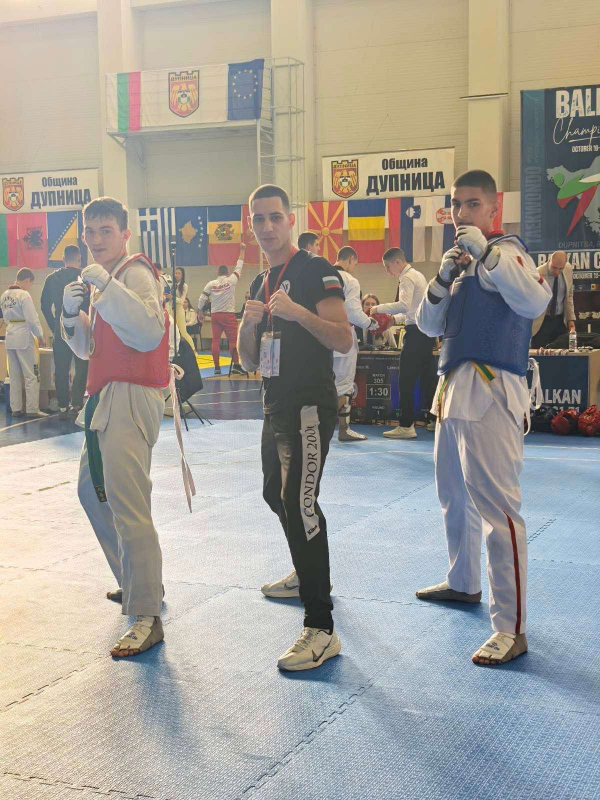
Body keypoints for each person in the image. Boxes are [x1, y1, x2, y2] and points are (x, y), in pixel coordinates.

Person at [415, 169, 551, 666]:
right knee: (453, 495)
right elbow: (425, 324)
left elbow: (536, 300)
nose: (461, 213)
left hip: (492, 391)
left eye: (472, 204)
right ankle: (463, 581)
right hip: (451, 390)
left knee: (499, 512)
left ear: (494, 209)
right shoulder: (458, 266)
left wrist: (487, 254)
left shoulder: (507, 252)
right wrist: (442, 277)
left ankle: (511, 628)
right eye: (456, 204)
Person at [238, 183, 352, 671]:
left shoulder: (315, 270)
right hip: (275, 405)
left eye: (275, 217)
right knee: (274, 493)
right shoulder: (259, 282)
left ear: (290, 220)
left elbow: (343, 338)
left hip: (309, 406)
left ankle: (321, 628)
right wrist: (247, 325)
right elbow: (249, 361)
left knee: (300, 503)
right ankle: (307, 574)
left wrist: (296, 312)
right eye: (258, 219)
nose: (267, 227)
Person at [61, 196, 170, 658]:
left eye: (106, 230)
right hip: (103, 394)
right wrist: (71, 317)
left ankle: (146, 614)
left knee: (128, 504)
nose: (96, 239)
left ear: (125, 233)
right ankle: (136, 580)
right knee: (91, 492)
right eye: (90, 231)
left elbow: (148, 331)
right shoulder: (103, 282)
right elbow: (89, 349)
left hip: (130, 395)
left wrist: (107, 286)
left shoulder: (134, 273)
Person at [371, 248, 435, 439]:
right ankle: (434, 420)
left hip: (416, 335)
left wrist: (377, 308)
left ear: (398, 262)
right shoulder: (418, 275)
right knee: (428, 379)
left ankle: (406, 425)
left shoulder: (406, 277)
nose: (387, 271)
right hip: (425, 333)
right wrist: (394, 319)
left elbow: (404, 305)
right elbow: (412, 310)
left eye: (388, 266)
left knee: (405, 380)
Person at [333, 246, 389, 442]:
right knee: (343, 385)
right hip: (342, 337)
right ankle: (344, 429)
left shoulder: (321, 275)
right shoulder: (350, 280)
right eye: (355, 264)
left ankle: (314, 427)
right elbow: (353, 313)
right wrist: (370, 323)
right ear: (351, 260)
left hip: (320, 336)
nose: (354, 267)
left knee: (321, 383)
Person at [41, 245, 89, 418]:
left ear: (63, 259)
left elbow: (44, 306)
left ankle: (62, 404)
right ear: (79, 258)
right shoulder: (86, 279)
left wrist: (54, 325)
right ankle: (77, 402)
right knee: (82, 365)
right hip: (83, 327)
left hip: (60, 326)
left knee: (61, 367)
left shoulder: (51, 278)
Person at [0, 268, 47, 418]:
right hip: (23, 335)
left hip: (10, 335)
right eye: (30, 284)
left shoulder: (4, 295)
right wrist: (40, 335)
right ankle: (32, 409)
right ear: (27, 280)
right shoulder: (24, 295)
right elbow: (32, 319)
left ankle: (16, 409)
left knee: (14, 376)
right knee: (31, 374)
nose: (29, 287)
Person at [198, 243, 246, 375]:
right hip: (228, 315)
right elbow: (239, 266)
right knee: (233, 341)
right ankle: (236, 365)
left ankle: (217, 368)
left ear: (217, 273)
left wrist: (200, 311)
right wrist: (242, 250)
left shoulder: (211, 284)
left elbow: (202, 298)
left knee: (215, 341)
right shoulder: (231, 280)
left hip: (215, 315)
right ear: (227, 273)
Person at [531, 251, 575, 347]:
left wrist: (570, 319)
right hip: (541, 322)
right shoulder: (537, 274)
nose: (557, 272)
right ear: (549, 261)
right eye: (554, 267)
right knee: (539, 354)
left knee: (562, 353)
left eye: (561, 268)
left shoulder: (568, 269)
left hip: (560, 321)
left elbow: (569, 296)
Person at [172, 267, 197, 353]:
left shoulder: (184, 286)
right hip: (171, 308)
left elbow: (181, 301)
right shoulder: (172, 284)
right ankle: (174, 351)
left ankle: (193, 350)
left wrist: (172, 298)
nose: (177, 275)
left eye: (179, 273)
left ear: (182, 275)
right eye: (176, 273)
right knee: (171, 331)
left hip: (179, 309)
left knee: (183, 332)